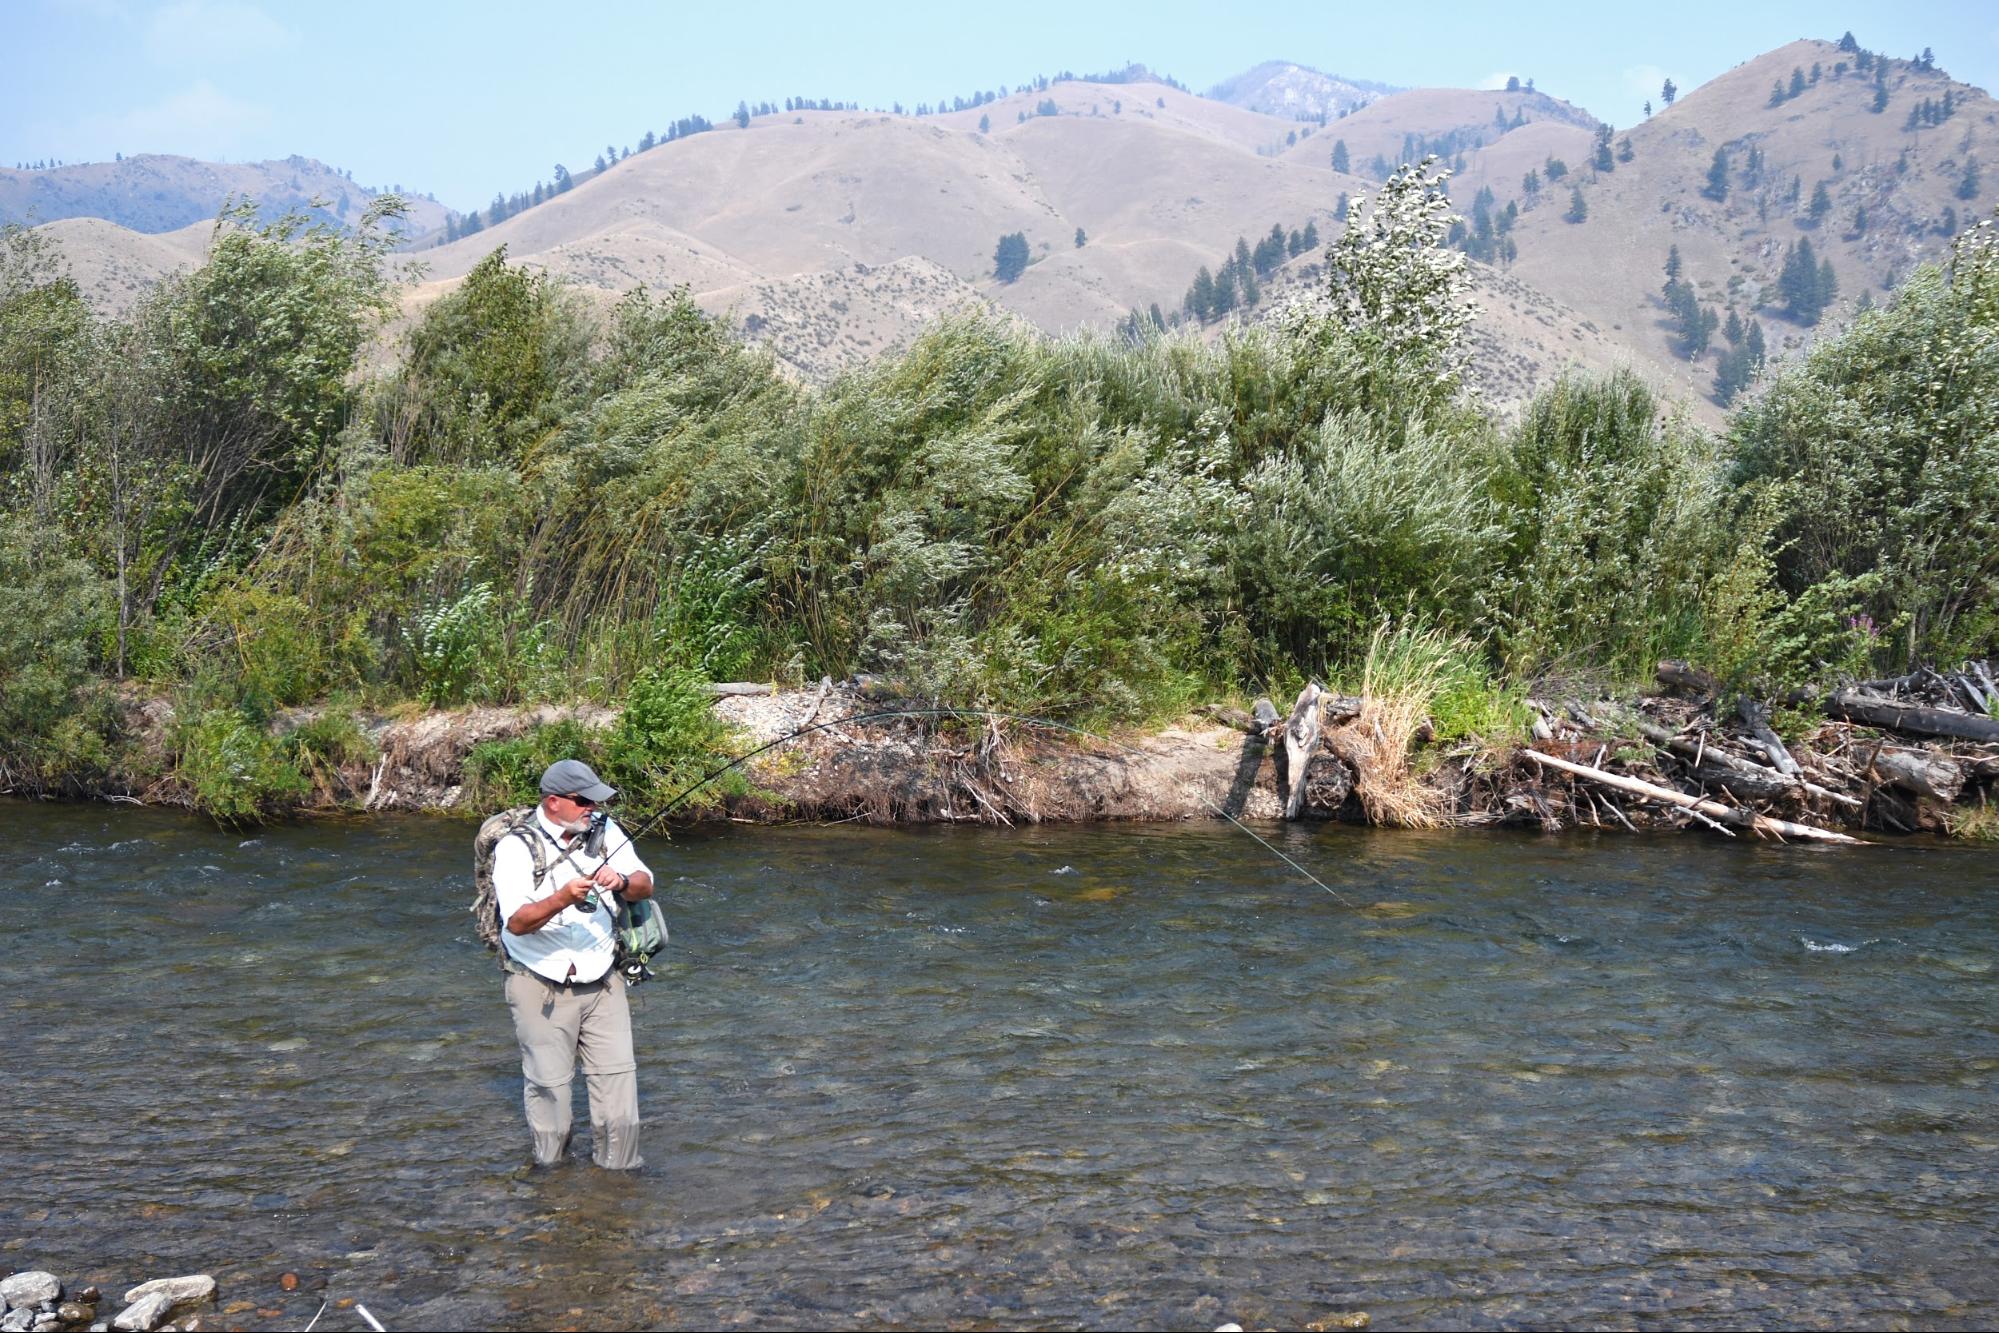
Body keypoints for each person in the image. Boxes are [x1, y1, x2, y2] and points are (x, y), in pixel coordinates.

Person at [492, 758, 655, 1169]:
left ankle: (620, 1174)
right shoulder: (515, 847)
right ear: (553, 803)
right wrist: (563, 897)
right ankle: (552, 1176)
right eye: (584, 801)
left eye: (596, 802)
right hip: (539, 984)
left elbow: (646, 883)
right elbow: (517, 922)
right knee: (551, 1089)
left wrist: (620, 882)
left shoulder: (605, 832)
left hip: (603, 981)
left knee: (618, 1084)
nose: (592, 810)